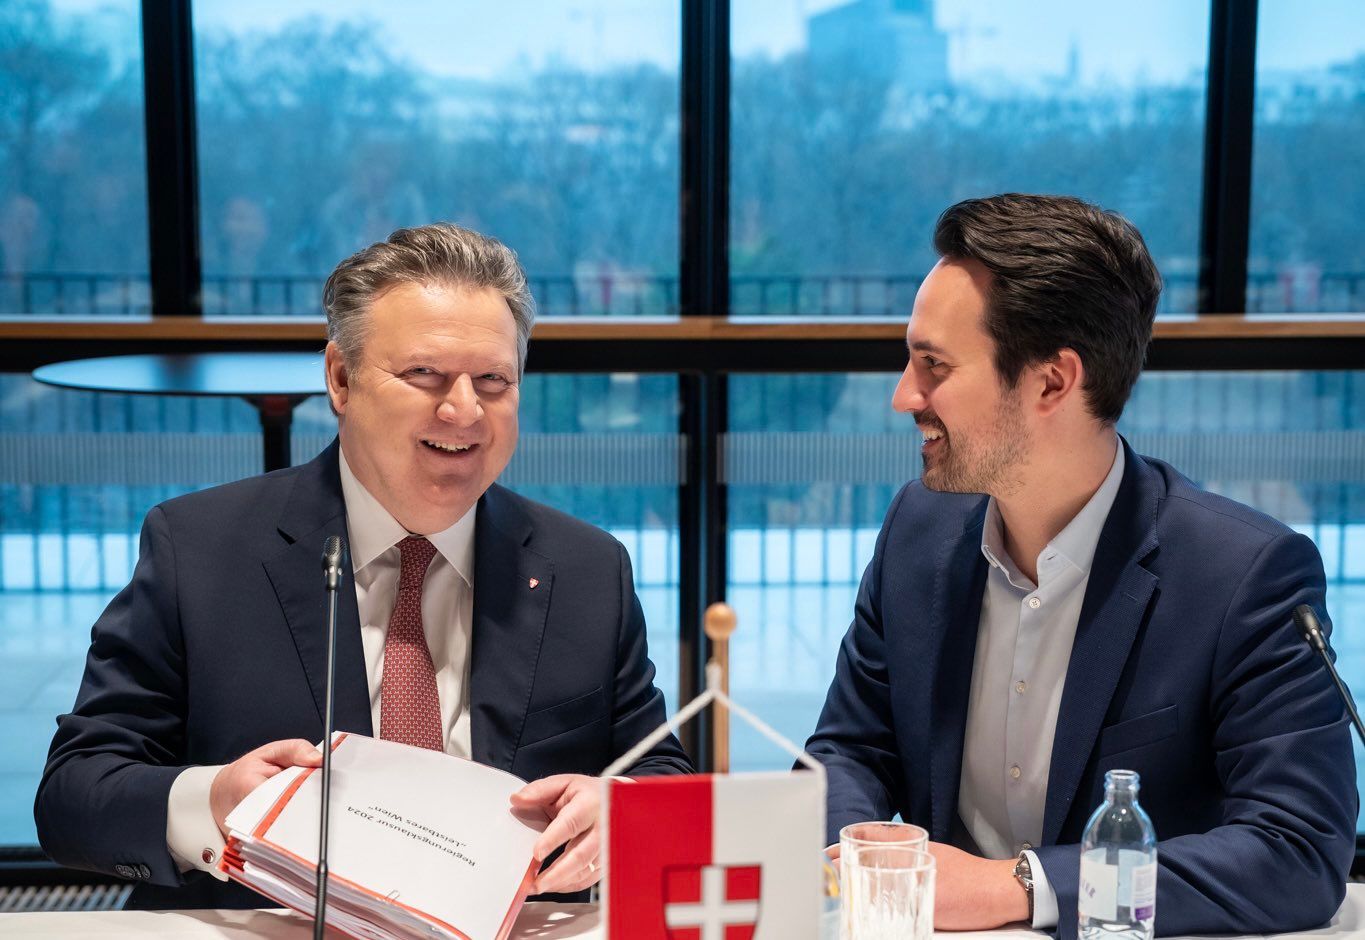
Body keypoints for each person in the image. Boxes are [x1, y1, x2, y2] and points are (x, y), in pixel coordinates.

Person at [35, 222, 692, 910]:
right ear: (341, 380)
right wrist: (212, 801)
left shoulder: (585, 568)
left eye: (493, 379)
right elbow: (74, 795)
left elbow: (658, 772)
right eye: (424, 375)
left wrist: (621, 810)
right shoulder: (198, 550)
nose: (463, 409)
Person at [805, 194, 1355, 938]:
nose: (903, 395)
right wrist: (853, 853)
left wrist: (1021, 887)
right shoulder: (918, 529)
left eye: (933, 366)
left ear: (1052, 383)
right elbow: (850, 749)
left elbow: (1296, 853)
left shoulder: (1243, 576)